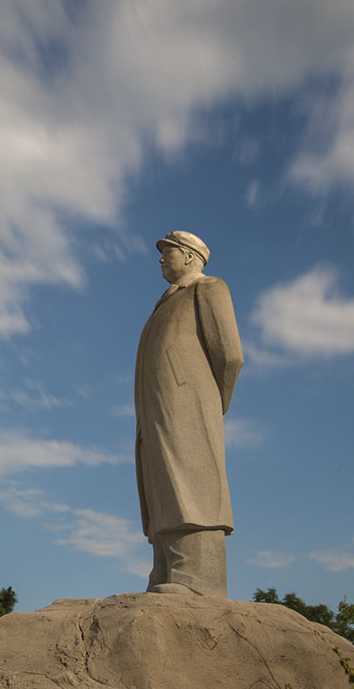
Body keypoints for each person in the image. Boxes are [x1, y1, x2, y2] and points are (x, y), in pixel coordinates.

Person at [134, 230, 243, 597]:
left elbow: (229, 355)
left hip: (189, 404)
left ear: (191, 256)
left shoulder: (208, 288)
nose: (162, 259)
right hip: (157, 408)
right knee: (160, 478)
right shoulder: (164, 302)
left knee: (190, 478)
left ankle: (198, 577)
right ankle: (167, 567)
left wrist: (214, 402)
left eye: (169, 252)